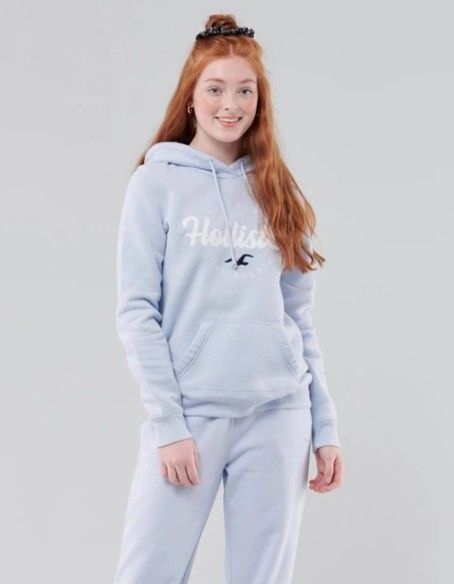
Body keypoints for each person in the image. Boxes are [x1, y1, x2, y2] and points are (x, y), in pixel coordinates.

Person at [113, 13, 344, 584]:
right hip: (191, 415)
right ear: (191, 98)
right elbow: (137, 311)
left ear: (260, 101)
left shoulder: (277, 189)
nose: (230, 104)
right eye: (215, 89)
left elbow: (298, 317)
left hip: (279, 414)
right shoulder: (156, 183)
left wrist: (324, 426)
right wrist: (168, 423)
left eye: (245, 90)